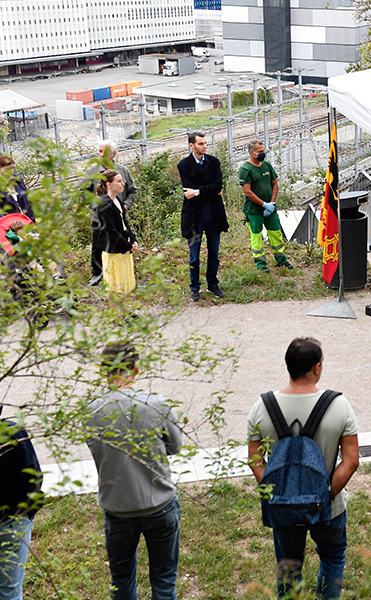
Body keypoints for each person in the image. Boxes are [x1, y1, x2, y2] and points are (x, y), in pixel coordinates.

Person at [247, 337, 359, 599]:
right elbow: (351, 460)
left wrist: (275, 492)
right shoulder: (338, 405)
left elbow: (254, 459)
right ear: (317, 368)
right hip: (328, 507)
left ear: (288, 366)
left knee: (288, 568)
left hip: (283, 507)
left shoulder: (262, 407)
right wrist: (326, 493)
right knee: (332, 558)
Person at [86, 343, 182, 600]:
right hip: (159, 503)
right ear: (135, 369)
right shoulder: (157, 404)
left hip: (117, 508)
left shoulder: (91, 411)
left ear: (104, 371)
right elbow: (175, 446)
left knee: (121, 580)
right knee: (163, 581)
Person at [177, 132, 229, 302]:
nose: (204, 146)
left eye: (205, 143)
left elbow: (218, 186)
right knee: (194, 255)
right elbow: (188, 190)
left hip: (213, 214)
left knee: (214, 253)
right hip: (194, 217)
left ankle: (213, 284)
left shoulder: (214, 162)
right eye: (200, 144)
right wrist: (211, 190)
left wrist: (198, 191)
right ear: (191, 145)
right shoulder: (184, 165)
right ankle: (195, 287)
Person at [0, 406, 42, 600]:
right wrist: (31, 508)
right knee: (10, 589)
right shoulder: (13, 433)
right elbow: (33, 476)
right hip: (13, 521)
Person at [84, 140, 138, 287]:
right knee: (98, 245)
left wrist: (126, 206)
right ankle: (97, 274)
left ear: (114, 154)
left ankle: (121, 274)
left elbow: (133, 191)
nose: (101, 154)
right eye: (100, 151)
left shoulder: (123, 171)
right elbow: (84, 193)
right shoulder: (92, 171)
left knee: (120, 241)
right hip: (99, 218)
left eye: (105, 152)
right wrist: (97, 207)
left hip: (119, 216)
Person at [238, 140, 292, 272]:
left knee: (276, 233)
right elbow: (247, 192)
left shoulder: (267, 165)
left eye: (264, 151)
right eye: (260, 152)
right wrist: (264, 205)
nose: (263, 154)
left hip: (270, 209)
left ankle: (281, 260)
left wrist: (272, 204)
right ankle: (260, 264)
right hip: (254, 210)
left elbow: (274, 184)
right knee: (256, 236)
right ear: (252, 152)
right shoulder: (245, 169)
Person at [96, 170, 138, 295]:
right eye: (119, 181)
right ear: (109, 184)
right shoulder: (104, 205)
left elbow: (125, 224)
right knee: (114, 287)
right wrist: (128, 245)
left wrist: (133, 239)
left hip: (123, 249)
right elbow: (111, 231)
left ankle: (125, 312)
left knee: (124, 284)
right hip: (113, 251)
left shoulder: (117, 200)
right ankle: (114, 314)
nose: (123, 184)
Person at [0, 155, 34, 222]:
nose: (10, 172)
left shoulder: (17, 179)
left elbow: (27, 202)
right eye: (7, 169)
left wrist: (33, 223)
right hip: (8, 225)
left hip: (25, 221)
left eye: (12, 168)